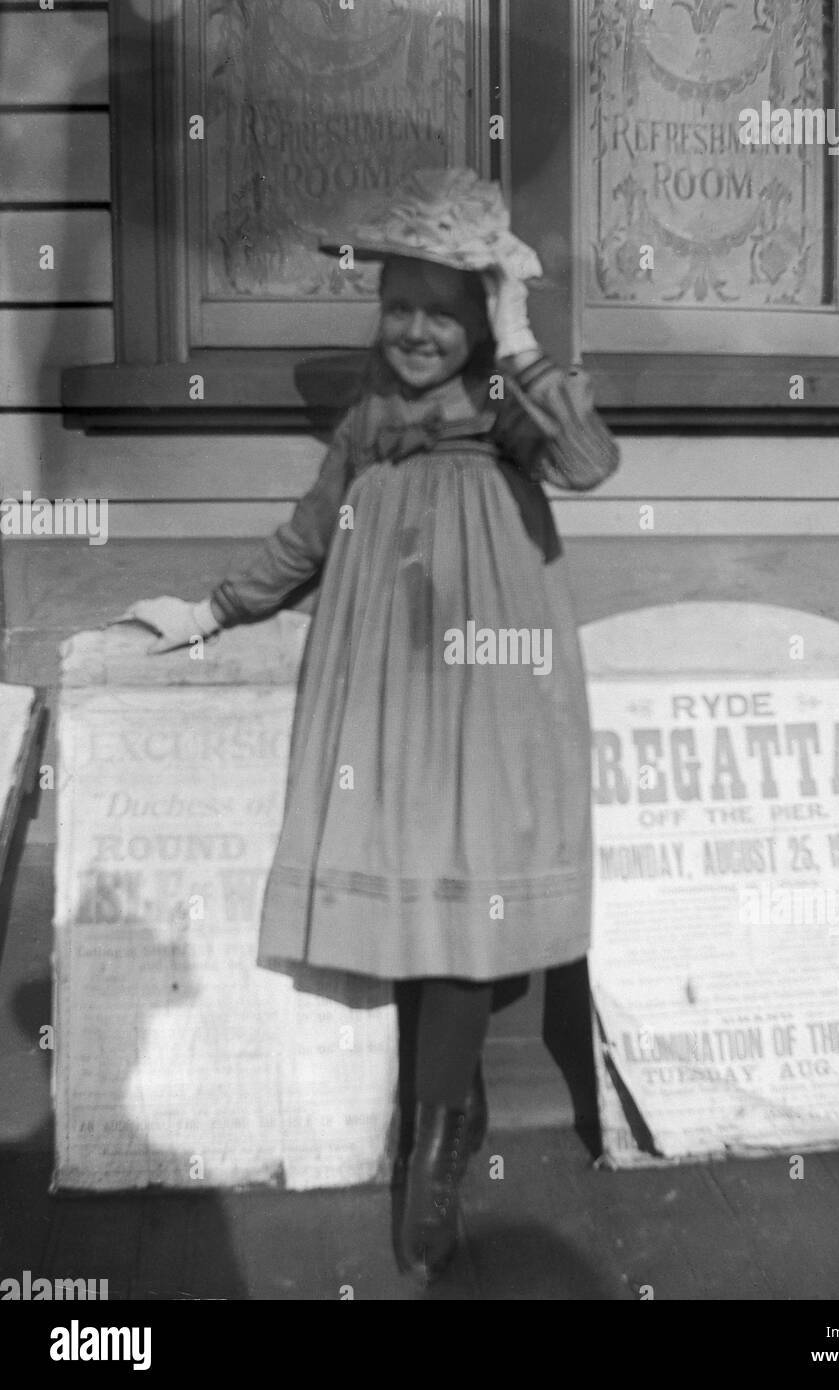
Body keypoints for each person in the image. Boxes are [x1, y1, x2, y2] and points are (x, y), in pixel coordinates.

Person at [121, 167, 619, 1283]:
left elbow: (588, 461)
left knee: (462, 872)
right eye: (399, 305)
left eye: (445, 311)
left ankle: (433, 1140)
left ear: (479, 318)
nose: (415, 331)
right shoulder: (365, 419)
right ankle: (453, 1100)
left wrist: (521, 331)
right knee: (413, 878)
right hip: (385, 680)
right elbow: (307, 537)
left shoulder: (501, 405)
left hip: (490, 679)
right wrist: (207, 610)